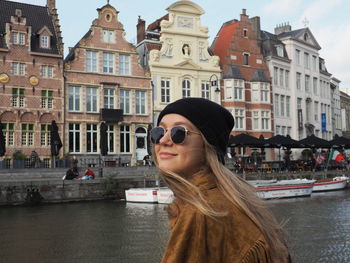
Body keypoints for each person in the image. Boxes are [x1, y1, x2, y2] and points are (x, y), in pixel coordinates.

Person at [150, 98, 291, 263]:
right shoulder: (231, 199)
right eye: (159, 132)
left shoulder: (200, 212)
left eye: (178, 133)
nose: (163, 141)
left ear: (207, 145)